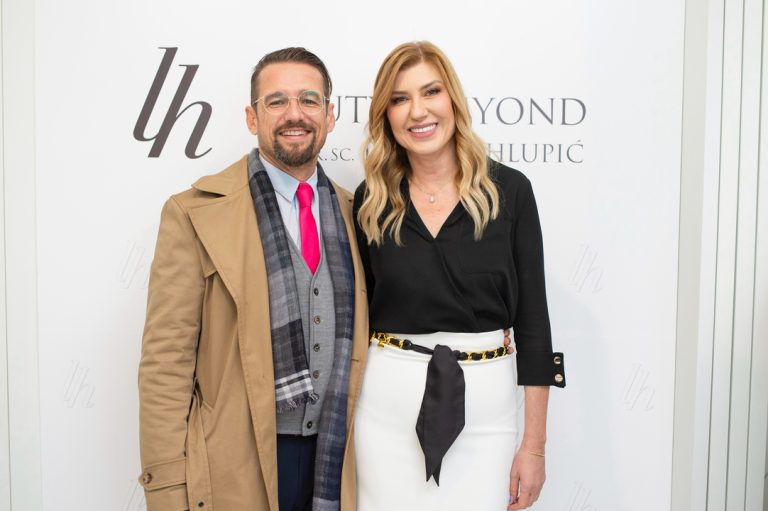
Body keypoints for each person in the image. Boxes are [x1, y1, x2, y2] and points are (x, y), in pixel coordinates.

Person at [138, 47, 369, 511]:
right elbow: (166, 364)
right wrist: (166, 488)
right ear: (251, 117)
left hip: (337, 458)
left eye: (308, 99)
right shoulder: (194, 214)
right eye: (276, 101)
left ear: (329, 115)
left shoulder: (359, 214)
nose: (294, 114)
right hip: (238, 460)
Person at [352, 41, 566, 511]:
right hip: (385, 415)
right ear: (386, 115)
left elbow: (534, 323)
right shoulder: (371, 200)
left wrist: (534, 446)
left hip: (487, 416)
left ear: (453, 99)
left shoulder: (510, 191)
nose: (418, 111)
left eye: (431, 91)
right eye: (400, 98)